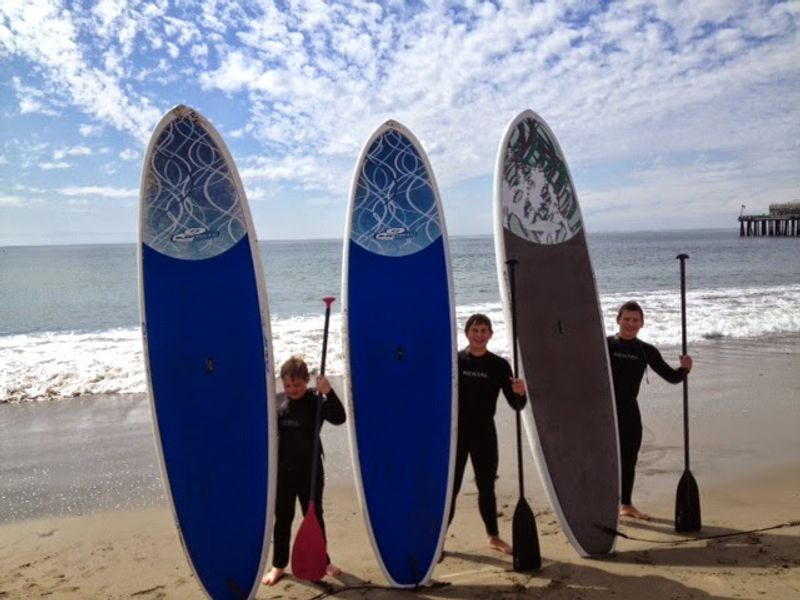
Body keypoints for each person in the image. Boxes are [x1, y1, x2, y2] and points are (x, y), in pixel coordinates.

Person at [262, 355, 346, 586]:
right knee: (283, 518)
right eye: (288, 385)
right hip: (284, 472)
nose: (292, 390)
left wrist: (328, 391)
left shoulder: (316, 400)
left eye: (297, 385)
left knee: (314, 516)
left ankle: (324, 561)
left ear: (307, 380)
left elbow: (340, 418)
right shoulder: (278, 402)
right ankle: (279, 564)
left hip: (310, 472)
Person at [447, 313, 527, 556]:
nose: (479, 335)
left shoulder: (500, 366)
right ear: (467, 333)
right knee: (451, 488)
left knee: (486, 487)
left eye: (483, 331)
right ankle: (438, 539)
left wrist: (520, 393)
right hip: (456, 434)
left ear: (491, 334)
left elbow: (517, 406)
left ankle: (493, 537)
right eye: (475, 330)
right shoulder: (455, 361)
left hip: (484, 433)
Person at [607, 301, 693, 520]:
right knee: (604, 459)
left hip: (629, 411)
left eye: (635, 320)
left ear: (642, 323)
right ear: (618, 320)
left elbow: (672, 378)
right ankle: (602, 502)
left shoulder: (646, 351)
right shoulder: (604, 345)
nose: (630, 324)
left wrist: (684, 369)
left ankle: (625, 504)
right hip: (604, 413)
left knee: (629, 459)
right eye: (626, 319)